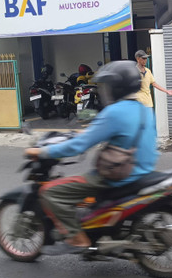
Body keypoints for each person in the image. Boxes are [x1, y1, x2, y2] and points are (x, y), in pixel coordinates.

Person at [25, 61, 158, 255]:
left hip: (119, 175)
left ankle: (78, 239)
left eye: (109, 86)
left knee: (51, 192)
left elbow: (79, 145)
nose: (106, 91)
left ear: (117, 87)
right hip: (144, 170)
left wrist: (42, 152)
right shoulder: (144, 110)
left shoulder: (114, 112)